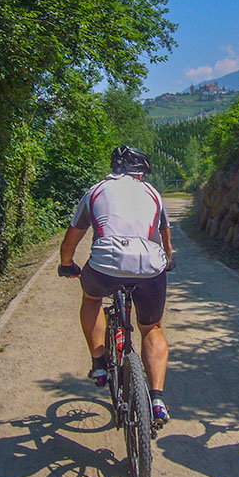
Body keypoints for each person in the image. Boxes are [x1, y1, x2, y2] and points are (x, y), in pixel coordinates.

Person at [58, 145, 173, 425]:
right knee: (151, 328)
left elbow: (72, 237)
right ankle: (157, 399)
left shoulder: (95, 191)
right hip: (150, 268)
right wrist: (167, 260)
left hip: (105, 267)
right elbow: (165, 238)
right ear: (141, 172)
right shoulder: (153, 194)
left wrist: (67, 264)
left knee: (92, 298)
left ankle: (99, 363)